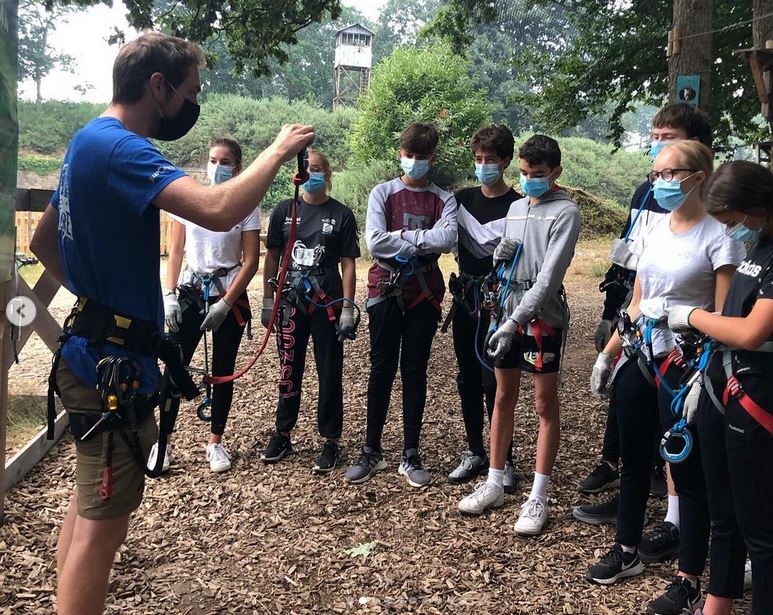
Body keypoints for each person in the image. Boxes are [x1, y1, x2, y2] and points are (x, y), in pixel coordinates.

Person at [29, 32, 313, 615]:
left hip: (90, 347)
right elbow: (219, 208)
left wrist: (101, 300)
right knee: (101, 531)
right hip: (110, 368)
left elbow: (41, 241)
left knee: (86, 512)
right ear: (157, 86)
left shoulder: (85, 141)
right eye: (190, 91)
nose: (192, 103)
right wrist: (277, 152)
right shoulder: (124, 149)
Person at [585, 142, 744, 615]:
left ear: (698, 176)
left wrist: (699, 359)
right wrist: (609, 355)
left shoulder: (720, 237)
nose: (662, 182)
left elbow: (722, 313)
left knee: (686, 472)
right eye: (657, 173)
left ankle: (689, 578)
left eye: (672, 173)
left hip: (688, 366)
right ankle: (627, 548)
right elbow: (637, 300)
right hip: (643, 354)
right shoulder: (653, 229)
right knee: (633, 459)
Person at [577, 103, 713, 524]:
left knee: (673, 426)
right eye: (654, 136)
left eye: (667, 136)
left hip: (684, 339)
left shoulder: (714, 219)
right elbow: (630, 260)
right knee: (625, 402)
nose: (658, 145)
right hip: (638, 318)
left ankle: (675, 518)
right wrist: (611, 318)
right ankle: (625, 491)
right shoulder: (646, 191)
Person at [458, 134, 580, 537]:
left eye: (538, 174)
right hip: (506, 307)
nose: (530, 181)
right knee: (502, 394)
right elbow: (508, 264)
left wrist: (514, 322)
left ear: (556, 173)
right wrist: (499, 258)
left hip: (541, 317)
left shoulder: (566, 212)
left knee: (544, 401)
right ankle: (495, 479)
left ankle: (538, 495)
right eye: (525, 173)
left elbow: (548, 277)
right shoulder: (513, 207)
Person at [668, 160, 773, 615]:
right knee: (723, 510)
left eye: (732, 221)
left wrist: (692, 316)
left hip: (757, 394)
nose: (732, 232)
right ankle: (717, 603)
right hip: (723, 382)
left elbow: (751, 331)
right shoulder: (759, 243)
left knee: (760, 528)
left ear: (754, 207)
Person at [345, 122, 457, 487]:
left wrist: (404, 237)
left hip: (423, 293)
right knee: (380, 370)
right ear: (400, 155)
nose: (412, 162)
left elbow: (447, 238)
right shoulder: (383, 193)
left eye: (420, 158)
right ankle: (371, 450)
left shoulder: (444, 198)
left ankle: (410, 453)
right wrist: (422, 242)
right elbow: (376, 243)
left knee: (414, 370)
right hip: (385, 289)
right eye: (408, 156)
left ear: (432, 159)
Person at [154, 137, 259, 473]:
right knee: (175, 364)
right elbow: (175, 251)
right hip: (189, 291)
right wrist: (169, 294)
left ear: (237, 168)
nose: (217, 167)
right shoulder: (188, 201)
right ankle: (163, 440)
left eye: (224, 161)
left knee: (223, 370)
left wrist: (227, 304)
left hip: (227, 291)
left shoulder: (247, 205)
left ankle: (216, 442)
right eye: (213, 160)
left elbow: (251, 260)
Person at [260, 149, 360, 472]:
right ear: (299, 173)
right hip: (290, 302)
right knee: (289, 368)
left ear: (327, 174)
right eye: (307, 167)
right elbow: (272, 258)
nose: (312, 172)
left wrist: (347, 307)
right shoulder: (284, 211)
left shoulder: (342, 215)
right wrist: (266, 300)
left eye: (318, 168)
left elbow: (348, 264)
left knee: (329, 370)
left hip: (325, 304)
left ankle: (330, 440)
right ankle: (283, 432)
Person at [447, 125, 519, 490]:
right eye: (478, 160)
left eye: (490, 160)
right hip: (466, 300)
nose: (483, 165)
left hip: (502, 303)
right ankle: (475, 450)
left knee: (497, 380)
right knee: (467, 377)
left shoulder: (519, 205)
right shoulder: (460, 200)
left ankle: (503, 458)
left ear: (505, 160)